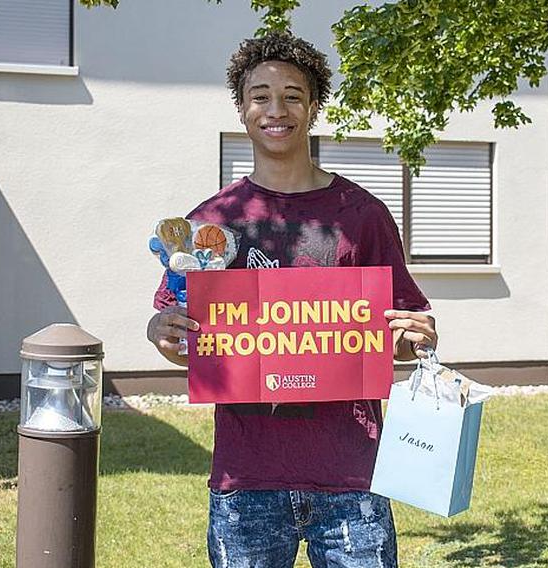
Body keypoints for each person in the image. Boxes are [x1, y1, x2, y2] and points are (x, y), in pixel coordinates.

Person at [146, 32, 437, 568]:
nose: (275, 109)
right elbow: (176, 331)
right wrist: (162, 331)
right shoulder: (212, 222)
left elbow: (404, 327)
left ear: (313, 106)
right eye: (260, 95)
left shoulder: (361, 214)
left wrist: (416, 336)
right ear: (242, 107)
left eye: (292, 95)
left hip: (351, 479)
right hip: (246, 479)